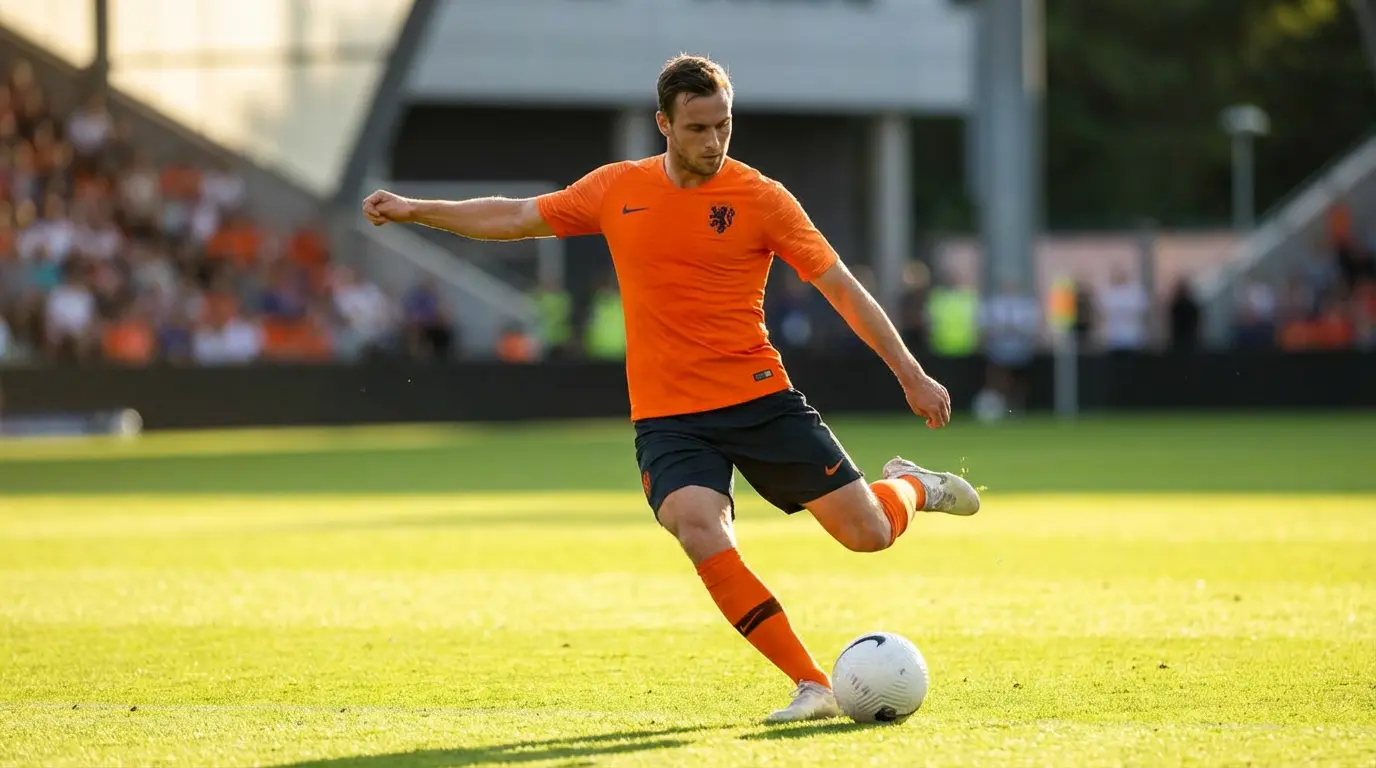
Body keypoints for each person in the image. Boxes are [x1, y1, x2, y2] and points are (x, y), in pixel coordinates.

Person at [361, 53, 980, 724]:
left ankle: (915, 486)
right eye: (698, 128)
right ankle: (813, 684)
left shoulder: (762, 198)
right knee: (697, 526)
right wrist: (415, 209)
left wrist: (911, 373)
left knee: (868, 535)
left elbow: (842, 290)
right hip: (669, 417)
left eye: (724, 125)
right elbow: (513, 216)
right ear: (664, 124)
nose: (715, 141)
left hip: (759, 398)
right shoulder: (615, 189)